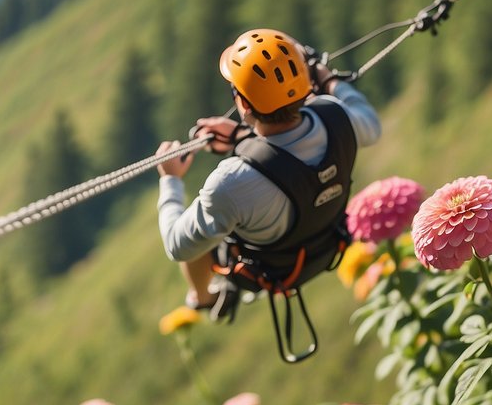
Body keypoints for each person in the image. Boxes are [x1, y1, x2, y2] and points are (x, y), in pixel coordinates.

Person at [156, 28, 382, 318]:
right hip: (325, 240)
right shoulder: (337, 116)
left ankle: (203, 297)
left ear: (244, 103)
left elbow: (177, 245)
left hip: (268, 268)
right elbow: (369, 125)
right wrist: (328, 79)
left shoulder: (230, 183)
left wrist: (170, 179)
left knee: (199, 229)